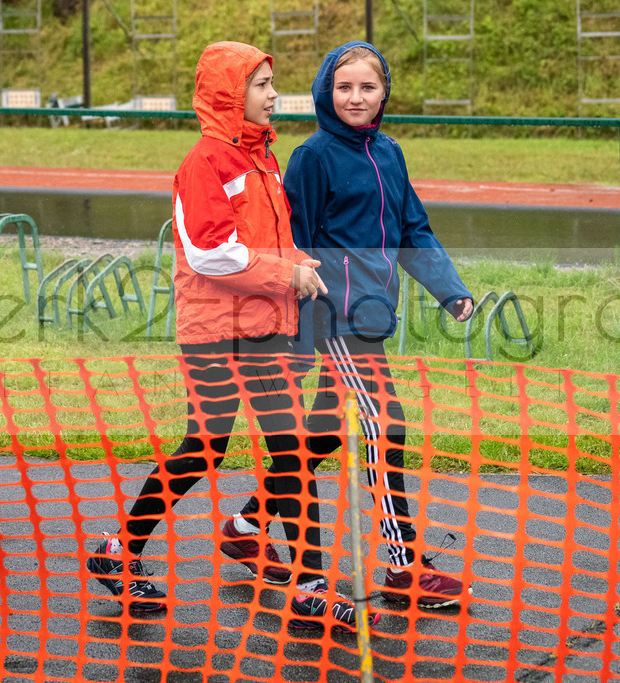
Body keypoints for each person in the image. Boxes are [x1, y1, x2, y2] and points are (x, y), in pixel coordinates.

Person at [87, 42, 367, 632]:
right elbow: (212, 254)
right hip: (214, 335)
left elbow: (268, 239)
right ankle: (121, 549)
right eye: (261, 85)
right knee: (208, 446)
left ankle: (311, 586)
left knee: (289, 451)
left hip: (267, 329)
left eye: (272, 83)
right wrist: (285, 272)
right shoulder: (205, 163)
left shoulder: (263, 159)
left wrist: (304, 266)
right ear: (228, 94)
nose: (273, 95)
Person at [285, 41, 475, 610]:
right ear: (326, 91)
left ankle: (245, 531)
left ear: (384, 92)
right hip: (335, 320)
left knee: (316, 439)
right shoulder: (312, 157)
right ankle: (401, 566)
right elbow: (293, 242)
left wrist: (450, 290)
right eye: (344, 88)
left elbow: (413, 228)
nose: (355, 98)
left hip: (372, 318)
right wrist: (306, 320)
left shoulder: (390, 153)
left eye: (367, 88)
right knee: (385, 427)